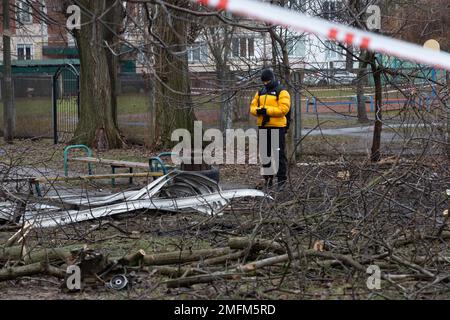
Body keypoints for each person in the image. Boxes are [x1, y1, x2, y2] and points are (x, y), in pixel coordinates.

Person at [250, 69, 290, 190]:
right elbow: (252, 107)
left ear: (272, 79)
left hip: (277, 128)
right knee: (265, 155)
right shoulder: (260, 92)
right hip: (263, 126)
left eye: (267, 81)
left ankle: (281, 181)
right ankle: (268, 180)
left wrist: (266, 111)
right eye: (264, 82)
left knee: (278, 154)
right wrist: (258, 111)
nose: (266, 83)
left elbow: (283, 109)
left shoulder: (282, 91)